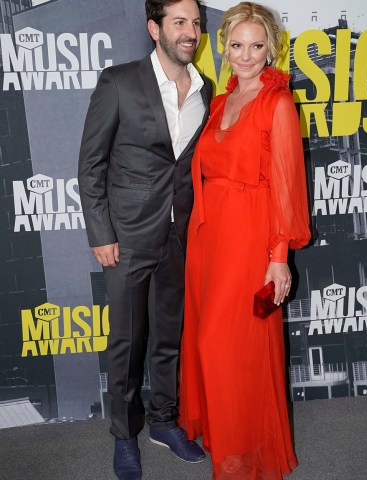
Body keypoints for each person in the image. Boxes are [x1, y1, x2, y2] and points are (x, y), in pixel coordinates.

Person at [78, 0, 213, 478]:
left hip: (179, 235)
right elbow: (91, 163)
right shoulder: (119, 81)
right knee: (126, 343)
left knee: (168, 340)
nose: (190, 32)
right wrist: (101, 232)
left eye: (196, 23)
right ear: (155, 28)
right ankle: (123, 436)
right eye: (180, 22)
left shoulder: (204, 88)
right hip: (128, 237)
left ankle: (163, 421)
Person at [178, 2, 311, 479]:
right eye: (237, 45)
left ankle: (243, 458)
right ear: (225, 47)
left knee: (230, 346)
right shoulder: (219, 102)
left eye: (257, 46)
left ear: (271, 48)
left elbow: (286, 185)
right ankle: (228, 440)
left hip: (250, 239)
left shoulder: (276, 103)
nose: (247, 55)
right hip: (209, 239)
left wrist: (279, 258)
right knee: (212, 347)